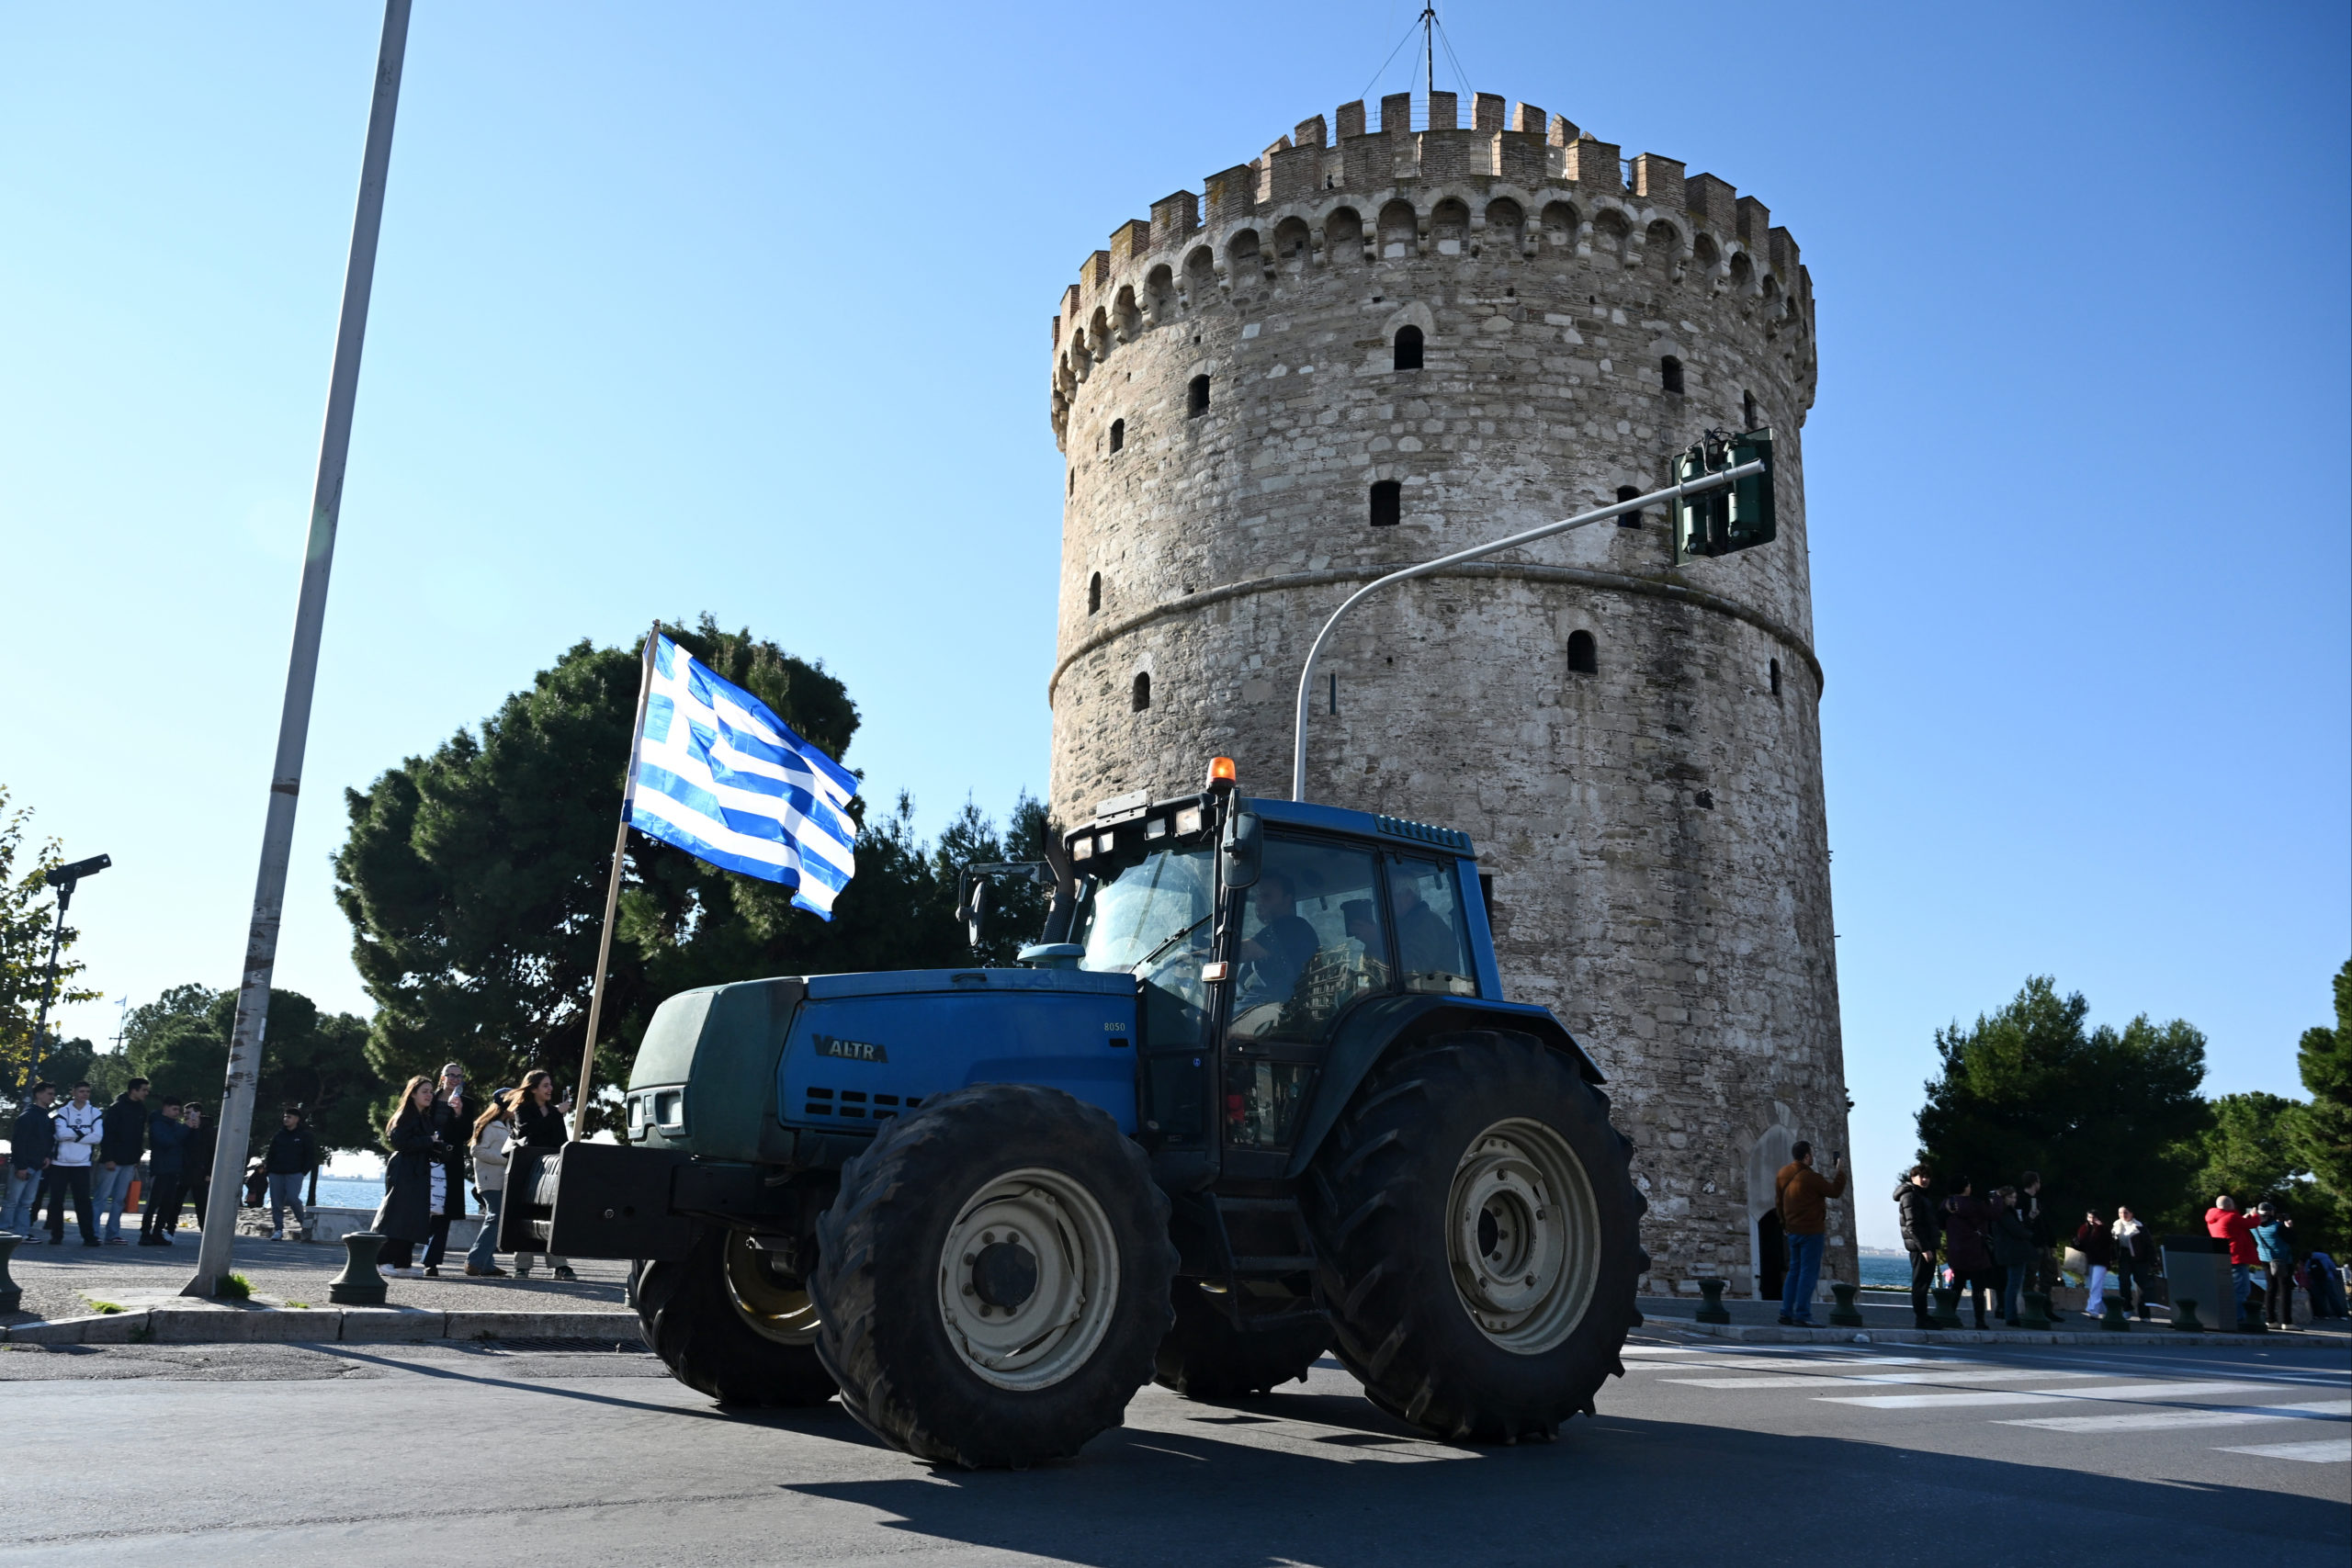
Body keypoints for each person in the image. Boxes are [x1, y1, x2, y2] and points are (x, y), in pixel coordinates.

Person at [373, 1076, 455, 1277]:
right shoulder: (405, 1116)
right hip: (406, 1170)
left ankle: (403, 1263)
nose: (429, 1095)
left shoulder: (422, 1117)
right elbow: (399, 1142)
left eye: (431, 1091)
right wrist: (429, 1141)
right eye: (424, 1091)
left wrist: (438, 1147)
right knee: (400, 1215)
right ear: (413, 1094)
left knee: (414, 1216)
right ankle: (383, 1260)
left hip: (418, 1170)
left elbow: (423, 1142)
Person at [509, 1069, 576, 1280]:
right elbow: (527, 1131)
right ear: (533, 1088)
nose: (550, 1089)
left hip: (552, 1168)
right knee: (525, 1214)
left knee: (553, 1215)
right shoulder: (523, 1109)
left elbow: (561, 1140)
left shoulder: (553, 1111)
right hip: (529, 1167)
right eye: (545, 1085)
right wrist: (555, 1113)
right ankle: (522, 1265)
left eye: (550, 1085)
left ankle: (560, 1264)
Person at [1773, 1140, 1847, 1326]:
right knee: (1808, 1273)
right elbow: (1834, 1191)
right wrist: (1840, 1171)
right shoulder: (1811, 1177)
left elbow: (1779, 1202)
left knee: (1793, 1272)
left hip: (1792, 1231)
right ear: (1806, 1156)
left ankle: (1786, 1312)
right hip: (1812, 1231)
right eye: (1812, 1153)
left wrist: (1784, 1224)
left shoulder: (1782, 1174)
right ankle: (1803, 1314)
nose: (1813, 1156)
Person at [1238, 870, 1319, 1003]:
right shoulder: (1275, 931)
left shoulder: (1291, 927)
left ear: (1287, 900)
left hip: (1278, 1008)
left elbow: (1242, 951)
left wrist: (1205, 952)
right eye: (1257, 897)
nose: (1259, 902)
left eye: (1266, 896)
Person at [43, 1080, 104, 1247]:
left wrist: (74, 1135)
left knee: (83, 1202)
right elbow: (61, 1134)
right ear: (73, 1093)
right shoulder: (63, 1111)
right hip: (60, 1163)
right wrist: (86, 1132)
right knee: (56, 1201)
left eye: (87, 1091)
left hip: (82, 1164)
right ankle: (56, 1235)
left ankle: (89, 1237)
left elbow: (97, 1137)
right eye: (81, 1091)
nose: (85, 1094)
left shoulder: (95, 1112)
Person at [464, 1089, 516, 1277]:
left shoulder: (508, 1126)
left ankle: (486, 1265)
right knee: (496, 1217)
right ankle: (474, 1261)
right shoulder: (488, 1125)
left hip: (502, 1180)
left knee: (496, 1219)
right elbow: (476, 1150)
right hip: (489, 1180)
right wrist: (506, 1160)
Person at [92, 1077, 151, 1244]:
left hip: (129, 1162)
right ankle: (92, 1232)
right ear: (133, 1090)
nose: (146, 1093)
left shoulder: (141, 1109)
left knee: (119, 1199)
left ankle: (113, 1234)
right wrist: (108, 1158)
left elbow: (139, 1136)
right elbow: (107, 1135)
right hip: (112, 1161)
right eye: (144, 1090)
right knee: (101, 1197)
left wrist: (137, 1157)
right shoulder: (116, 1108)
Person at [6, 1082, 58, 1239]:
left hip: (37, 1165)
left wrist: (47, 1156)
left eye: (53, 1094)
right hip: (24, 1165)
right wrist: (21, 1166)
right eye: (49, 1093)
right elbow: (19, 1143)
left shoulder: (45, 1117)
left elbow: (46, 1140)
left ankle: (21, 1233)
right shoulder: (28, 1116)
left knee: (26, 1202)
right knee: (12, 1201)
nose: (53, 1097)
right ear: (39, 1094)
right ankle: (4, 1232)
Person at [138, 1097, 190, 1245]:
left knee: (167, 1204)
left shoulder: (177, 1126)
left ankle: (157, 1233)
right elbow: (168, 1142)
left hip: (174, 1169)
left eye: (178, 1110)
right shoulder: (157, 1125)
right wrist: (185, 1128)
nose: (177, 1112)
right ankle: (145, 1233)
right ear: (165, 1108)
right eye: (174, 1109)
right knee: (153, 1203)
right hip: (160, 1169)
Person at [1894, 1165, 1939, 1329]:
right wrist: (1924, 1248)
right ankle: (1921, 1318)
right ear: (1913, 1178)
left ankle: (1924, 1316)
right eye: (1921, 1176)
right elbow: (1912, 1225)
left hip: (1926, 1245)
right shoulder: (1910, 1196)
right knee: (1920, 1284)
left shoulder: (1921, 1195)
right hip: (1920, 1247)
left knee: (1924, 1283)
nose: (1925, 1180)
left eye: (1927, 1177)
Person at [265, 1107, 320, 1241]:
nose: (286, 1119)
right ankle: (278, 1230)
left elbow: (310, 1156)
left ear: (297, 1119)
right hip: (276, 1173)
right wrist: (269, 1170)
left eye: (289, 1117)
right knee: (276, 1202)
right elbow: (270, 1153)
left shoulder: (304, 1136)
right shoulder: (279, 1135)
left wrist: (303, 1171)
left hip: (295, 1173)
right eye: (285, 1117)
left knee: (292, 1198)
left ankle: (303, 1223)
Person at [2204, 1194, 2260, 1326]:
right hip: (2236, 1257)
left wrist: (2242, 1219)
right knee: (2242, 1290)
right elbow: (2253, 1224)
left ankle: (2227, 1317)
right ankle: (2238, 1318)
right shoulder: (2232, 1217)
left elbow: (2234, 1225)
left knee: (2228, 1289)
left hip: (2223, 1257)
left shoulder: (2213, 1217)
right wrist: (2255, 1214)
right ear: (2230, 1205)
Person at [2018, 1171, 2062, 1318]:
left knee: (2047, 1277)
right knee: (2030, 1277)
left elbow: (2046, 1224)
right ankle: (2030, 1309)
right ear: (2034, 1182)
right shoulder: (2021, 1200)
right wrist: (2030, 1218)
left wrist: (2051, 1244)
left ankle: (2046, 1309)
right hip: (2032, 1245)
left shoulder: (2039, 1200)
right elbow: (2021, 1224)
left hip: (2043, 1244)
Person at [1990, 1187, 2035, 1325]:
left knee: (2011, 1284)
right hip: (2014, 1252)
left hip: (2008, 1252)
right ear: (2003, 1198)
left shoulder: (2000, 1212)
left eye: (2015, 1197)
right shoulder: (2005, 1213)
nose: (2013, 1200)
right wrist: (2030, 1235)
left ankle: (2009, 1313)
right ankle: (2011, 1315)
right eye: (2010, 1197)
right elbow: (2016, 1230)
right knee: (2013, 1285)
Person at [2110, 1205, 2157, 1321]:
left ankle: (2144, 1314)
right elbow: (2113, 1245)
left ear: (2131, 1214)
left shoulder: (2139, 1227)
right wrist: (2113, 1257)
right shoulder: (2116, 1226)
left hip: (2140, 1258)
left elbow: (2149, 1244)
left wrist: (2153, 1261)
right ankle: (2127, 1308)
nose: (2123, 1215)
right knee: (2123, 1281)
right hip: (2124, 1256)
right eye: (2120, 1213)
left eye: (2126, 1212)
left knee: (2142, 1286)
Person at [2252, 1203, 2296, 1327]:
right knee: (2285, 1290)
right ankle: (2287, 1322)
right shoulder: (2278, 1227)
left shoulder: (2254, 1226)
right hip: (2282, 1260)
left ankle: (2270, 1320)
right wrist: (2289, 1227)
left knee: (2271, 1289)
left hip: (2265, 1259)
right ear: (2271, 1212)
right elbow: (2292, 1240)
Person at [2074, 1209, 2115, 1318]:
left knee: (2096, 1285)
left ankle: (2093, 1310)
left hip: (2101, 1260)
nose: (2091, 1220)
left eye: (2094, 1217)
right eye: (2089, 1217)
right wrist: (2075, 1243)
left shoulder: (2104, 1229)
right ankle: (2105, 1309)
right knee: (2093, 1285)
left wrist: (2100, 1228)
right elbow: (2081, 1244)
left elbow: (2108, 1241)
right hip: (2088, 1260)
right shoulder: (2083, 1229)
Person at [180, 1103, 214, 1231]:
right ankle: (169, 1229)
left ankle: (205, 1230)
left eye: (189, 1113)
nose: (186, 1115)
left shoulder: (208, 1131)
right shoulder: (184, 1128)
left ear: (198, 1113)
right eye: (185, 1113)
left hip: (201, 1172)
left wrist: (209, 1172)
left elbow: (213, 1153)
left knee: (202, 1204)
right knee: (175, 1202)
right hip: (184, 1171)